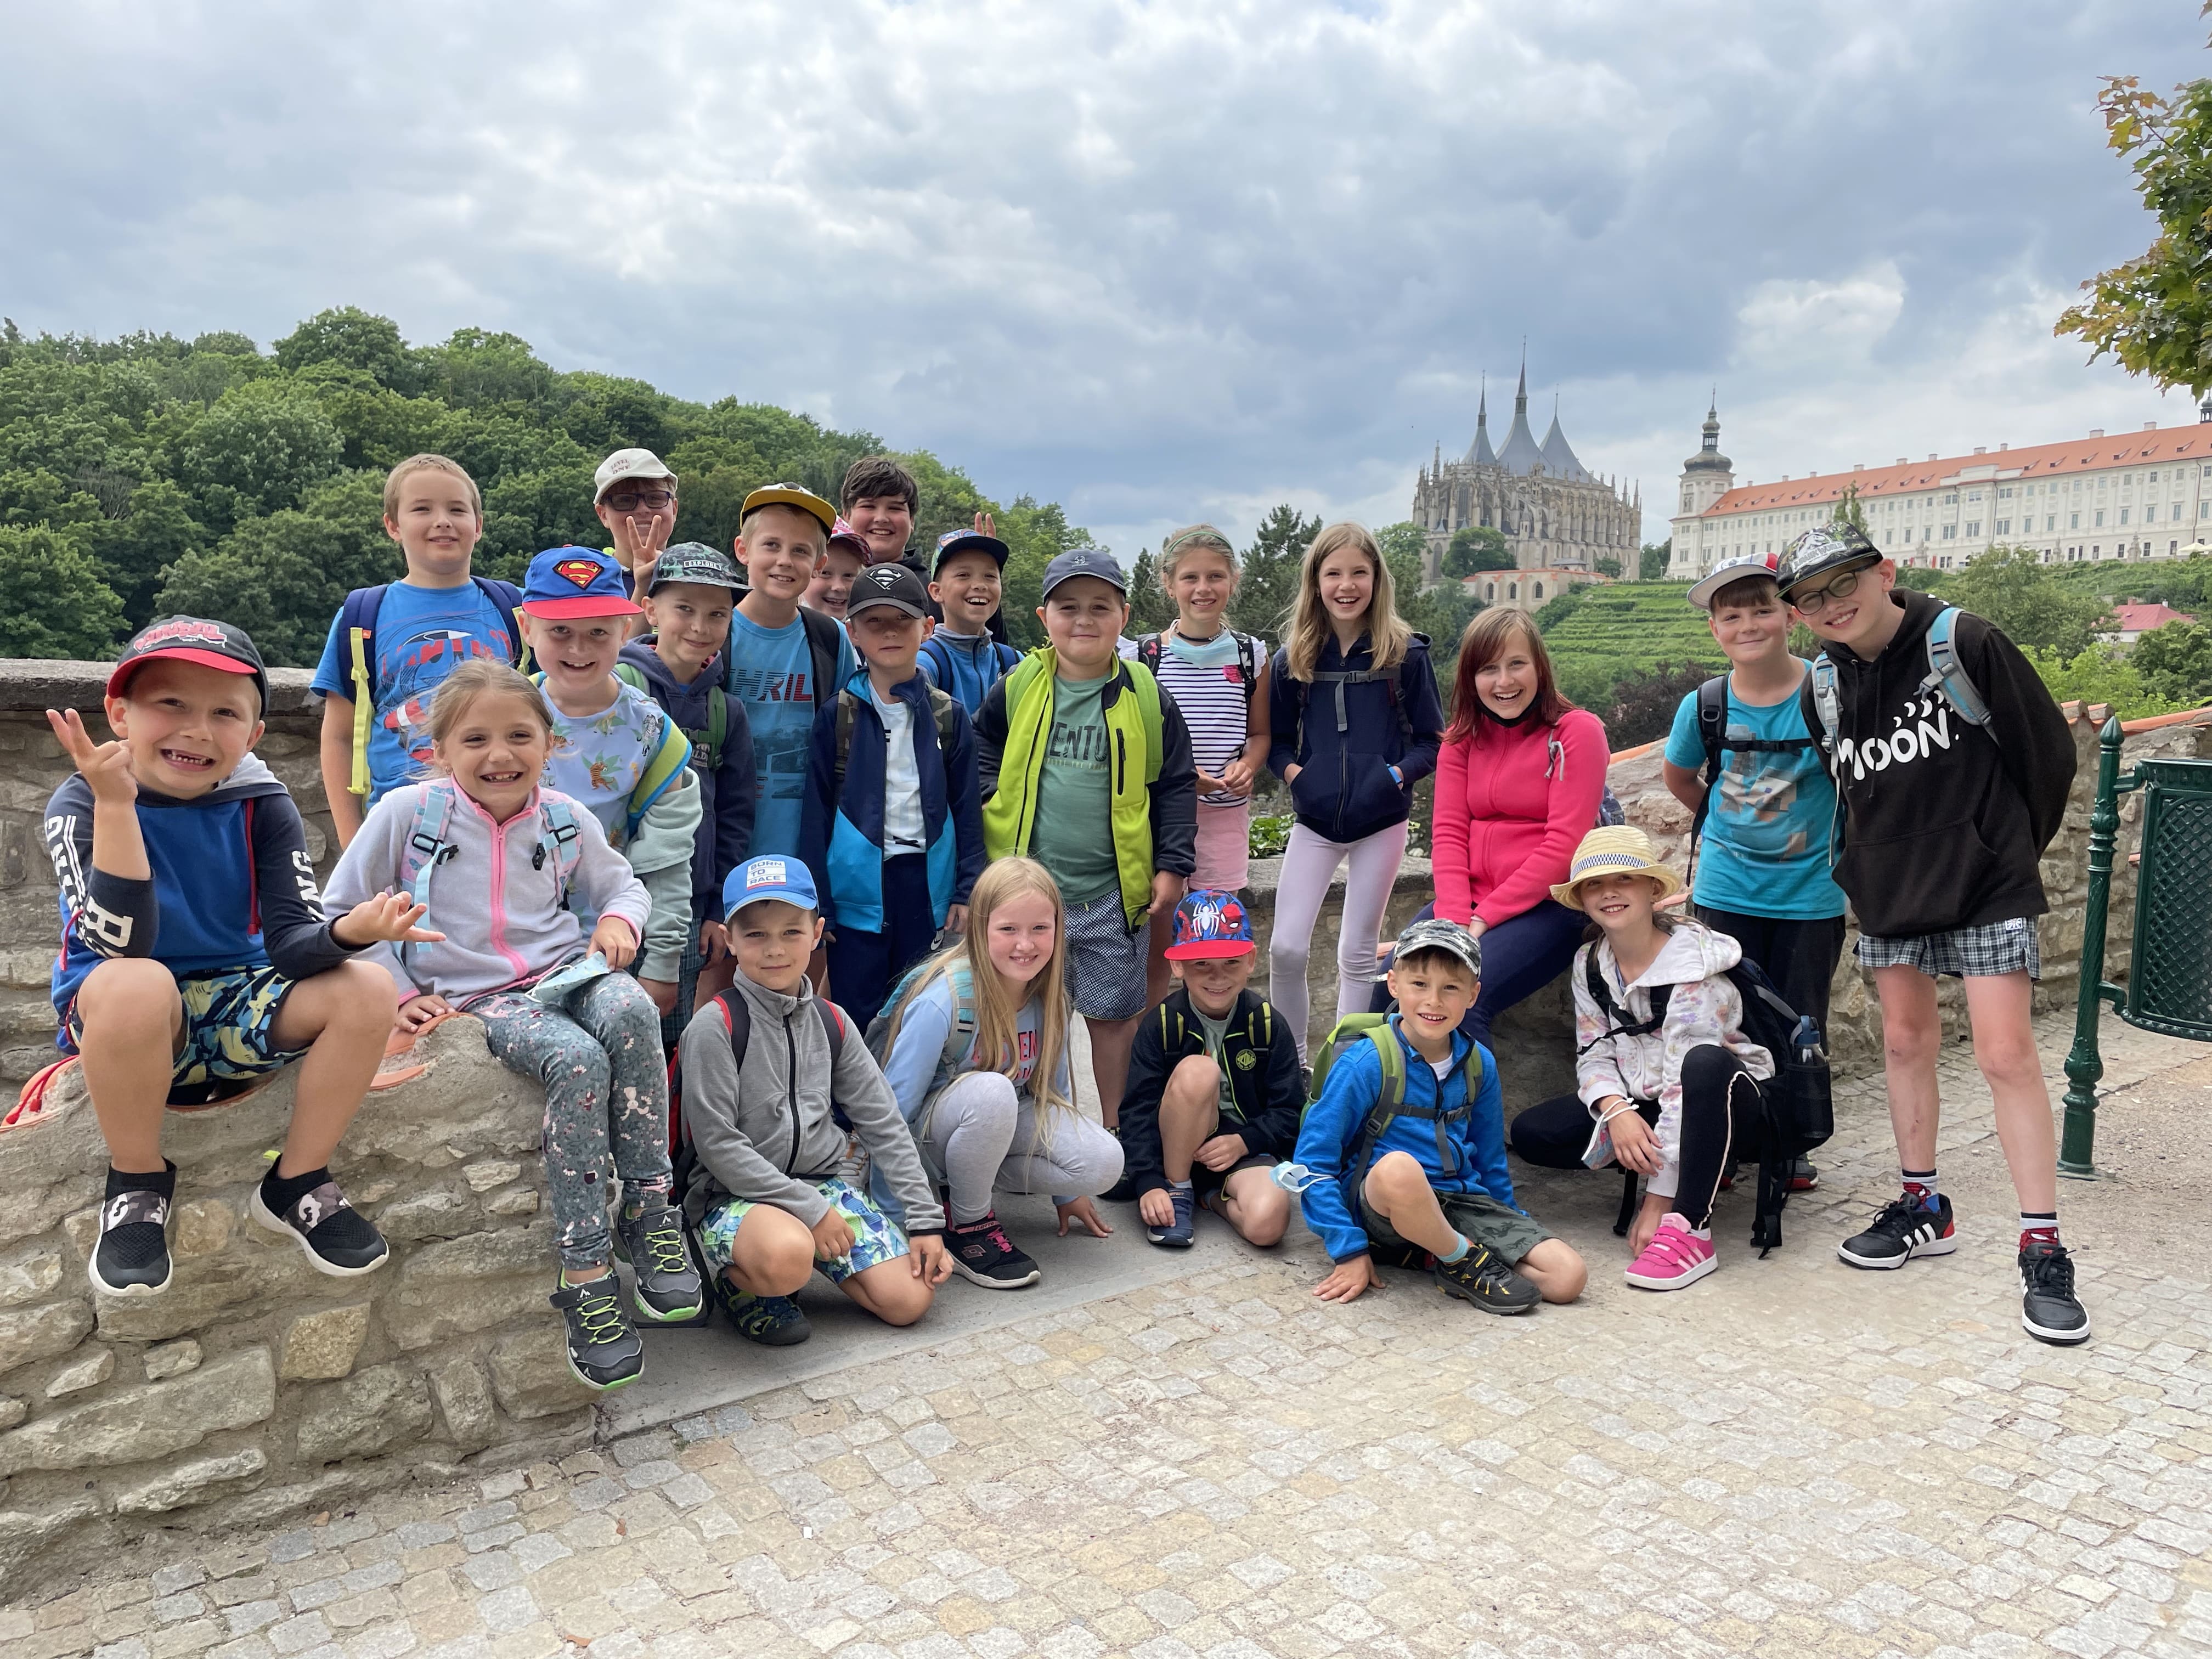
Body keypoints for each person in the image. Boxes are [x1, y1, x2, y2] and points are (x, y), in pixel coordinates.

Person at [325, 659, 701, 1391]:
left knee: (631, 1008)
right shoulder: (408, 815)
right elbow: (343, 912)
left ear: (549, 744)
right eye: (476, 740)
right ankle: (586, 1271)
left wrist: (620, 923)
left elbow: (622, 885)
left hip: (562, 971)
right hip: (476, 994)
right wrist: (397, 990)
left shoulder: (563, 817)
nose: (499, 755)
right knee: (576, 1060)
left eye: (519, 736)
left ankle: (649, 1212)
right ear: (440, 751)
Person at [43, 618, 427, 1297]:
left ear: (252, 735)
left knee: (367, 986)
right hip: (129, 1017)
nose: (197, 730)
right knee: (137, 982)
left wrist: (349, 933)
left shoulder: (262, 803)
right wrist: (117, 806)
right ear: (119, 715)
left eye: (224, 713)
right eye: (172, 704)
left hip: (239, 1002)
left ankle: (297, 1181)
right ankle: (137, 1183)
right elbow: (121, 946)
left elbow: (292, 944)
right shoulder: (81, 802)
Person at [1777, 524, 2087, 1345]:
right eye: (1810, 598)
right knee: (1905, 1045)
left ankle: (2042, 1247)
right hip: (1891, 889)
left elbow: (2049, 758)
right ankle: (1923, 1207)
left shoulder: (1965, 642)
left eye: (1843, 583)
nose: (1831, 605)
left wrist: (1998, 851)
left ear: (1884, 573)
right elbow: (1850, 786)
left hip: (1985, 886)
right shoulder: (1823, 685)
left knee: (2005, 1056)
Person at [679, 857, 950, 1347]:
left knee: (909, 1300)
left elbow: (884, 1122)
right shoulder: (714, 1027)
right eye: (756, 935)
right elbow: (719, 1146)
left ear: (817, 933)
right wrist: (809, 1211)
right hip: (736, 1195)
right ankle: (741, 1283)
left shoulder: (833, 1022)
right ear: (730, 939)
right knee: (788, 1256)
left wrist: (925, 1219)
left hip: (823, 1186)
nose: (775, 949)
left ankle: (806, 1255)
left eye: (792, 931)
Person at [975, 549, 1198, 1139]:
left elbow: (1176, 784)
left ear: (1124, 616)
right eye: (1068, 607)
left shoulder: (1147, 696)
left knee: (1113, 1019)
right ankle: (1023, 1129)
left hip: (1111, 895)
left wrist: (1173, 864)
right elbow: (981, 745)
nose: (1084, 619)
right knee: (1019, 1015)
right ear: (1044, 617)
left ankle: (1114, 1133)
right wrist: (990, 794)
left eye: (1100, 607)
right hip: (1027, 897)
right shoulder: (1019, 685)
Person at [1508, 827, 1775, 1291]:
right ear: (1582, 899)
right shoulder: (1590, 962)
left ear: (1653, 889)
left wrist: (1658, 1201)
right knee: (1535, 1134)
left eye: (1625, 879)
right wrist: (1617, 1112)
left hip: (1721, 1104)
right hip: (1643, 1091)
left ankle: (1690, 1220)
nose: (1609, 892)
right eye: (1594, 884)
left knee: (1701, 1066)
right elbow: (1593, 1049)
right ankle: (1676, 1160)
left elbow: (1682, 1084)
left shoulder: (1693, 967)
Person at [1289, 918, 1586, 1312]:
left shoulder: (1479, 1063)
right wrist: (1349, 1250)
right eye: (1419, 984)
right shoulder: (1366, 1062)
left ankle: (1438, 1256)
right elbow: (1314, 1161)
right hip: (1381, 1212)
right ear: (1394, 984)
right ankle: (1461, 1257)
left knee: (1567, 1278)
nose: (1434, 1001)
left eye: (1451, 988)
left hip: (1457, 1202)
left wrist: (1508, 1221)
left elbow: (1490, 1157)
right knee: (1399, 1168)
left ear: (1473, 994)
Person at [872, 858, 1123, 1289]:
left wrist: (1067, 1193)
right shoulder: (945, 998)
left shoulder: (1049, 996)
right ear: (980, 928)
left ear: (1059, 929)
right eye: (1008, 929)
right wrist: (898, 1217)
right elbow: (891, 1111)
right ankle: (968, 1223)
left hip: (991, 1127)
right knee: (993, 1091)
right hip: (930, 1140)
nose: (1025, 944)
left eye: (1040, 928)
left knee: (1106, 1162)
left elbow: (1054, 1094)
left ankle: (973, 1183)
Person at [1266, 523, 1443, 1062]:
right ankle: (1292, 1065)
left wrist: (1393, 777)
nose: (1347, 585)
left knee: (1358, 953)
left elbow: (1431, 743)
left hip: (1381, 822)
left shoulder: (1406, 655)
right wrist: (1298, 776)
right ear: (1316, 582)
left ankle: (1344, 1069)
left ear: (1377, 579)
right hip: (1315, 822)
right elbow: (1275, 743)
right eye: (1334, 573)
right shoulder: (1293, 658)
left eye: (1359, 573)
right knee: (1285, 947)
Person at [1391, 608, 1607, 1046]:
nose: (1504, 682)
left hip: (1549, 905)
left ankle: (1470, 1095)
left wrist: (1483, 920)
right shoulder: (1461, 740)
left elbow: (1565, 844)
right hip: (1468, 902)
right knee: (1389, 991)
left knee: (1459, 1002)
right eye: (1488, 669)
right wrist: (1456, 919)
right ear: (1471, 678)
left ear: (1539, 666)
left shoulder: (1575, 732)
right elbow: (1449, 835)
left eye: (1516, 664)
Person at [1661, 551, 1847, 1036]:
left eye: (1763, 610)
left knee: (1801, 1033)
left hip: (1810, 897)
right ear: (1715, 629)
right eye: (1732, 616)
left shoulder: (1830, 695)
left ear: (1791, 615)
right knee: (1725, 1029)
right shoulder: (1704, 705)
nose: (1748, 626)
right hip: (1726, 893)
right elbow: (1679, 777)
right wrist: (1728, 825)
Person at [517, 546, 702, 1023]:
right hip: (509, 950)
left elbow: (667, 859)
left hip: (610, 950)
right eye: (560, 631)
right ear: (526, 628)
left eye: (598, 632)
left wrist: (662, 965)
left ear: (625, 630)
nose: (579, 650)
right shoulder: (500, 719)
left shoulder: (655, 734)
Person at [802, 562, 986, 1031]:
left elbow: (968, 811)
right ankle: (853, 1087)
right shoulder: (837, 717)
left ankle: (907, 1085)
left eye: (903, 620)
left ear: (927, 628)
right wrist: (820, 902)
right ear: (853, 632)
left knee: (919, 1012)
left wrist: (967, 889)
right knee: (855, 1014)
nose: (889, 632)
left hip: (925, 888)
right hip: (854, 892)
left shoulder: (949, 716)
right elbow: (815, 816)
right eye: (874, 621)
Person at [314, 454, 521, 847]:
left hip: (506, 820)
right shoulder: (361, 616)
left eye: (457, 509)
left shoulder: (515, 609)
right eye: (422, 509)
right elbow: (339, 736)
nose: (442, 520)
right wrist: (354, 842)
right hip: (400, 826)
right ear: (393, 525)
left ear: (478, 525)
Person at [616, 543, 757, 1037]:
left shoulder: (726, 713)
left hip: (689, 910)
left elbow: (736, 818)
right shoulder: (617, 691)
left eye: (718, 614)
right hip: (610, 899)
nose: (700, 626)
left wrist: (718, 911)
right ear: (650, 610)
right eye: (685, 609)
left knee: (668, 1036)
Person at [1129, 524, 1272, 1008]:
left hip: (1223, 821)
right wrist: (1181, 779)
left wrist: (1248, 765)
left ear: (1234, 580)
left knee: (1217, 945)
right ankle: (1157, 1036)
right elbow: (1134, 743)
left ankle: (1213, 1035)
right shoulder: (1144, 656)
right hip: (1160, 823)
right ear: (1169, 584)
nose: (1203, 588)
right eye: (1190, 577)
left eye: (1215, 576)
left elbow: (1260, 734)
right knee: (1158, 946)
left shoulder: (1251, 655)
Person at [1119, 890, 1300, 1250]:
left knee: (1268, 1225)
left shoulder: (1267, 1024)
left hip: (1241, 1149)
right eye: (1201, 963)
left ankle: (1209, 1197)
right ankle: (1178, 1189)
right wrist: (1148, 1181)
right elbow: (1137, 1110)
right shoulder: (1162, 1024)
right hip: (1175, 1148)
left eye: (1231, 962)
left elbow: (1290, 1109)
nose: (1218, 977)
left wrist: (1245, 1141)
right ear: (1178, 966)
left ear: (1250, 961)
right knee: (1200, 1071)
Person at [726, 483, 857, 861]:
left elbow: (850, 732)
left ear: (818, 564)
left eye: (800, 550)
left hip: (805, 841)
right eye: (771, 545)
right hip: (725, 841)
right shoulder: (717, 633)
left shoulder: (830, 638)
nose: (785, 560)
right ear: (743, 550)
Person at [919, 527, 1023, 713]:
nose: (980, 585)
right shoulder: (925, 665)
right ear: (937, 591)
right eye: (963, 575)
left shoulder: (1015, 662)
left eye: (990, 576)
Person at [592, 447, 679, 605]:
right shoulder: (587, 585)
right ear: (603, 515)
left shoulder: (700, 578)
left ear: (674, 509)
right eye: (625, 500)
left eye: (655, 498)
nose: (642, 509)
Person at [801, 519, 870, 622]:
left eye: (849, 575)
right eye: (825, 573)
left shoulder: (867, 629)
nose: (839, 587)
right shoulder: (779, 626)